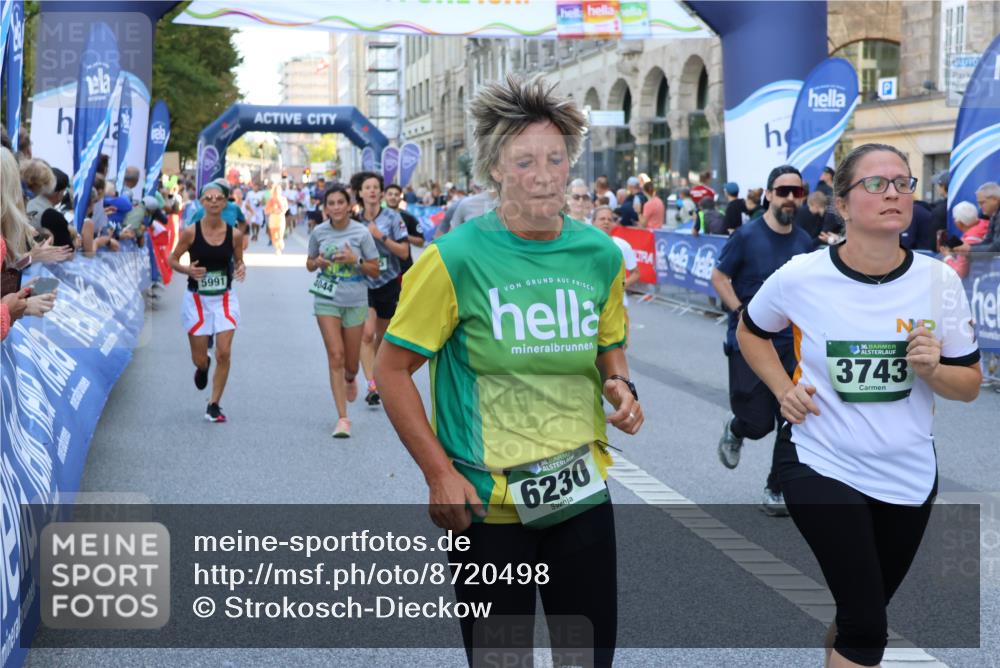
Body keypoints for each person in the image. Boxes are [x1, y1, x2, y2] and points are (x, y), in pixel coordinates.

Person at [375, 75, 642, 668]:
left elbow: (608, 344)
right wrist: (438, 473)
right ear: (495, 168)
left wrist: (620, 383)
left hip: (580, 492)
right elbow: (390, 371)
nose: (544, 175)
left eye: (556, 159)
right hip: (488, 506)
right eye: (525, 161)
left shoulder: (599, 254)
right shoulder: (455, 259)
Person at [737, 143, 981, 668]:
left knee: (861, 614)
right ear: (843, 204)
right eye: (875, 183)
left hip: (907, 473)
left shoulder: (938, 281)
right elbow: (751, 331)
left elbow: (969, 385)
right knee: (868, 626)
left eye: (902, 182)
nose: (893, 192)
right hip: (820, 460)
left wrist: (934, 370)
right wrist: (782, 389)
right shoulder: (801, 275)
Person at [710, 164, 814, 516]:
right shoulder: (746, 235)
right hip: (750, 341)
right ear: (769, 194)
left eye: (797, 192)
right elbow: (719, 277)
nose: (790, 198)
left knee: (792, 416)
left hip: (792, 345)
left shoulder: (805, 242)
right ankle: (736, 427)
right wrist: (741, 311)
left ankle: (775, 488)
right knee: (758, 424)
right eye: (783, 191)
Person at [306, 185, 381, 438]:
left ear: (349, 206)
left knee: (350, 364)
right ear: (325, 207)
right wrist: (317, 262)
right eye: (331, 203)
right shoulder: (319, 232)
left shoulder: (361, 233)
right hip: (326, 298)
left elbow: (375, 269)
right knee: (335, 356)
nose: (336, 207)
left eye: (341, 202)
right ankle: (342, 418)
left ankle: (350, 377)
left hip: (355, 300)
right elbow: (309, 263)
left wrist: (355, 261)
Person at [169, 181, 247, 423]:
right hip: (197, 300)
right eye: (209, 198)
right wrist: (187, 270)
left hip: (224, 299)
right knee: (200, 358)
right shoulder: (191, 232)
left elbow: (239, 261)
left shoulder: (234, 235)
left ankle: (214, 404)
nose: (214, 202)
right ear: (201, 202)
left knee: (224, 353)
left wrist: (241, 269)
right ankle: (203, 367)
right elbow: (172, 259)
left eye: (218, 198)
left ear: (225, 203)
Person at [350, 171, 410, 406]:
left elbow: (404, 252)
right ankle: (372, 384)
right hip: (363, 282)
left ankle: (379, 373)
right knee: (367, 333)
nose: (372, 191)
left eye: (376, 187)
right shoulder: (354, 222)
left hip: (388, 281)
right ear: (360, 193)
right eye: (368, 187)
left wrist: (380, 236)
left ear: (381, 192)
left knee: (382, 337)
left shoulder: (393, 218)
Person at [941, 200, 989, 279]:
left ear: (959, 223)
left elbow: (960, 273)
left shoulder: (968, 242)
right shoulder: (989, 225)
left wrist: (947, 257)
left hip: (977, 281)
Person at [384, 183, 424, 250]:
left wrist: (404, 235)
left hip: (402, 255)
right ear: (384, 196)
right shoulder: (377, 215)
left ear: (400, 197)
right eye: (390, 194)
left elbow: (421, 242)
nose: (393, 197)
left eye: (396, 195)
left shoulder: (408, 217)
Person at [265, 182, 288, 254]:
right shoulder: (270, 200)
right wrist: (272, 209)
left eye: (278, 190)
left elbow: (285, 209)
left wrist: (280, 207)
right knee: (274, 236)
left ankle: (279, 248)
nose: (276, 192)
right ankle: (276, 247)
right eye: (275, 190)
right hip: (273, 218)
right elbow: (266, 211)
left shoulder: (283, 199)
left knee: (280, 234)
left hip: (280, 217)